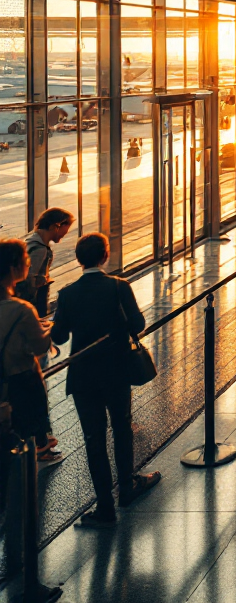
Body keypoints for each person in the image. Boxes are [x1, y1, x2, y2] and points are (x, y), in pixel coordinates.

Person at [50, 233, 160, 526]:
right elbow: (138, 324)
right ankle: (127, 487)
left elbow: (59, 336)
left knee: (93, 439)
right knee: (122, 428)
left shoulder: (67, 293)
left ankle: (105, 508)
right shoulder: (118, 287)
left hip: (84, 376)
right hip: (116, 370)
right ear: (105, 256)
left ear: (78, 259)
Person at [0, 240, 61, 462]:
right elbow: (39, 347)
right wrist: (49, 329)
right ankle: (39, 454)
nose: (28, 263)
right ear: (14, 267)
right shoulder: (22, 310)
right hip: (21, 382)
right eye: (26, 260)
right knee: (24, 432)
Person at [18, 207, 74, 318]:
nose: (66, 233)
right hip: (31, 309)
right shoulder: (40, 249)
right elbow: (29, 281)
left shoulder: (28, 241)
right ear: (55, 226)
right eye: (66, 228)